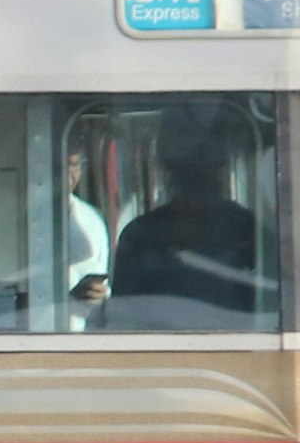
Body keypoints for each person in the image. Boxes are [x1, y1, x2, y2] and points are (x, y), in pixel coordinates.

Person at [109, 128, 272, 322]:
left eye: (204, 168)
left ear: (219, 169)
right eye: (184, 169)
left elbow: (273, 309)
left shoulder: (251, 233)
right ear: (168, 171)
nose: (195, 177)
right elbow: (124, 314)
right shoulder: (139, 235)